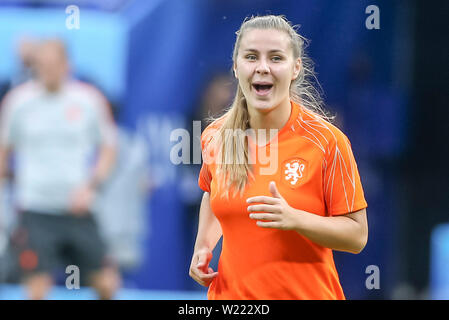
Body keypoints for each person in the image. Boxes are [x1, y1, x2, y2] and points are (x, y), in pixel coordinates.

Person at [189, 15, 368, 300]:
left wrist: (295, 219)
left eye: (275, 58)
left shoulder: (327, 142)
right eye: (251, 57)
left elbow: (357, 236)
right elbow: (213, 193)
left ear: (295, 68)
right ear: (236, 67)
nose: (262, 68)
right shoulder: (215, 136)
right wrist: (203, 246)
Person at [0, 39, 120, 299]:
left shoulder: (88, 100)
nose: (48, 71)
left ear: (68, 65)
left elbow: (109, 148)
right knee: (36, 289)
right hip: (34, 210)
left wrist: (91, 186)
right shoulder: (18, 102)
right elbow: (3, 151)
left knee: (106, 284)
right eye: (41, 66)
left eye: (54, 65)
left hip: (78, 209)